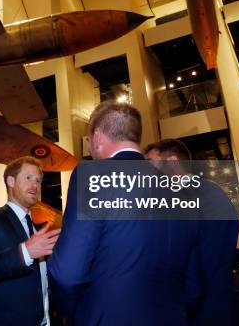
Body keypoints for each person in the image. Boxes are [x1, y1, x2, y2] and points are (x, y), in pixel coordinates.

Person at [48, 101, 200, 325]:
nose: (90, 147)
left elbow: (68, 272)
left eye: (89, 140)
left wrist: (75, 311)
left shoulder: (92, 175)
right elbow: (193, 281)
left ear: (98, 136)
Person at [145, 139, 239, 326]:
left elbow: (210, 256)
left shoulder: (207, 193)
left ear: (172, 161)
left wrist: (177, 301)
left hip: (209, 314)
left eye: (149, 162)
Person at [0, 156, 60, 326]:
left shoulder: (37, 230)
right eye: (28, 178)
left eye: (38, 180)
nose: (35, 185)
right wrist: (25, 252)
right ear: (10, 181)